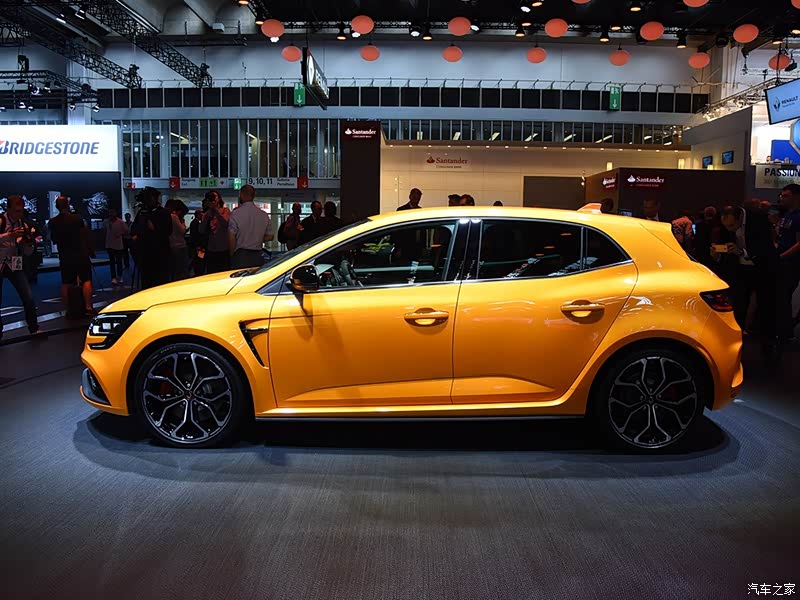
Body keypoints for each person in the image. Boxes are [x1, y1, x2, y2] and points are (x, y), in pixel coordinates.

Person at [713, 205, 779, 347]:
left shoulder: (758, 220)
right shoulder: (725, 225)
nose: (729, 229)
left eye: (732, 225)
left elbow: (765, 248)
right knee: (739, 302)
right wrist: (718, 254)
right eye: (726, 226)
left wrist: (742, 252)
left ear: (740, 218)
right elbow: (723, 245)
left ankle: (767, 338)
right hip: (739, 269)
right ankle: (738, 334)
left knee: (765, 302)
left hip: (763, 267)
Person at [0, 195, 40, 339]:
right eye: (16, 211)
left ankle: (34, 328)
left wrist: (28, 244)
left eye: (21, 211)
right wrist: (9, 235)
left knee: (28, 296)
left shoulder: (24, 224)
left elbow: (28, 252)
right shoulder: (1, 221)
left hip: (14, 261)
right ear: (8, 209)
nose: (19, 214)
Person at [49, 195, 95, 316]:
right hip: (80, 253)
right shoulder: (77, 219)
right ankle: (88, 307)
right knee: (86, 280)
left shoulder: (53, 222)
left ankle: (68, 309)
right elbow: (84, 235)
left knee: (66, 283)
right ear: (68, 205)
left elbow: (54, 239)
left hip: (65, 255)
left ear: (56, 206)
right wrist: (90, 250)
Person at [131, 187, 171, 289]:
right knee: (146, 282)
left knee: (160, 283)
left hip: (160, 255)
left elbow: (167, 231)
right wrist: (136, 235)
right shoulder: (142, 213)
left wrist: (154, 228)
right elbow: (134, 229)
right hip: (145, 254)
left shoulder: (163, 213)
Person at [228, 184, 273, 270]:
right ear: (253, 196)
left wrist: (231, 254)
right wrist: (258, 238)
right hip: (258, 255)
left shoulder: (235, 214)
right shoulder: (263, 215)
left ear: (241, 195)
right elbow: (270, 236)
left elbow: (231, 237)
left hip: (241, 256)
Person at [777, 184, 800, 341]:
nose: (782, 198)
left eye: (786, 196)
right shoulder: (787, 215)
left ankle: (787, 332)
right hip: (783, 261)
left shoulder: (798, 216)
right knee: (782, 297)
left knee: (785, 297)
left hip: (792, 263)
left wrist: (782, 256)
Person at [199, 190, 230, 274]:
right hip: (211, 249)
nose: (213, 199)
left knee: (223, 272)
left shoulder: (225, 210)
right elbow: (201, 230)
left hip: (223, 248)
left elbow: (225, 223)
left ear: (219, 199)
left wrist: (216, 210)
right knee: (211, 273)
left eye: (214, 196)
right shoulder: (207, 213)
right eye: (210, 197)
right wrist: (206, 216)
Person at [103, 209, 129, 285]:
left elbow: (127, 230)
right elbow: (103, 229)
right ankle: (113, 277)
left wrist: (120, 233)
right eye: (110, 213)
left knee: (119, 261)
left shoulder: (120, 222)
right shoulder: (106, 221)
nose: (111, 214)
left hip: (118, 245)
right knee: (112, 262)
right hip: (109, 244)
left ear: (115, 213)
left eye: (112, 213)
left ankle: (120, 276)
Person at [166, 199, 189, 281]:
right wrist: (183, 222)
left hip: (171, 246)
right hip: (179, 246)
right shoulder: (174, 217)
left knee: (174, 270)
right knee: (182, 270)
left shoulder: (168, 216)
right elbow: (182, 230)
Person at [188, 209, 206, 276]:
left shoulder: (193, 222)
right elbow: (197, 235)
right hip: (197, 244)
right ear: (198, 215)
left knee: (196, 259)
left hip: (194, 244)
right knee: (198, 259)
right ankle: (198, 272)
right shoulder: (196, 223)